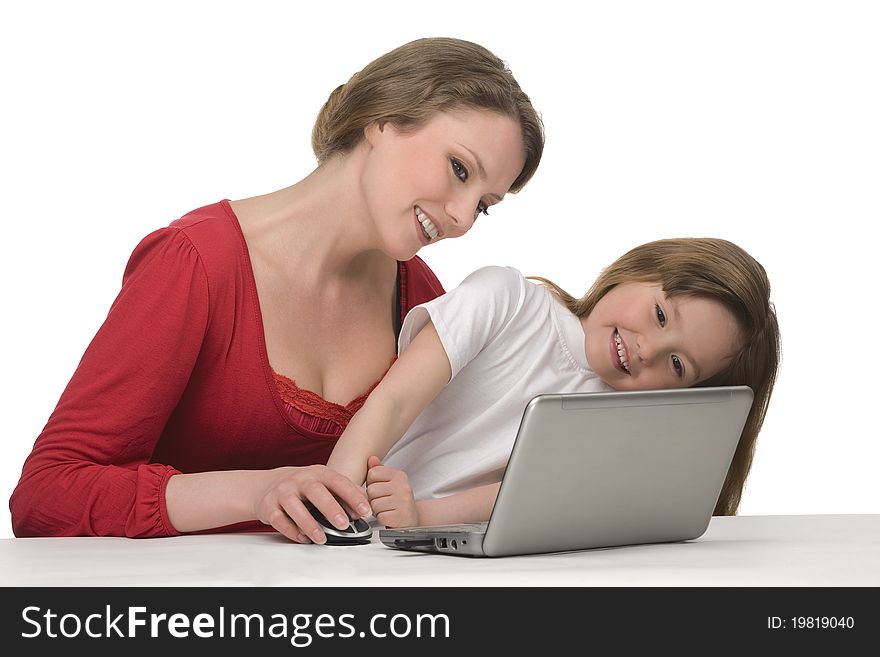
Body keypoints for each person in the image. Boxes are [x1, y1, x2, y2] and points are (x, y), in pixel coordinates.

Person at [9, 37, 545, 544]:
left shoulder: (421, 300)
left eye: (483, 204)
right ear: (384, 118)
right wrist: (258, 490)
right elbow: (44, 494)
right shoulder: (197, 264)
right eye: (458, 169)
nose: (460, 218)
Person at [326, 238, 780, 529]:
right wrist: (335, 501)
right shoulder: (508, 299)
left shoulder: (623, 425)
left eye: (678, 364)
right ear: (639, 268)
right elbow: (393, 399)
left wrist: (423, 517)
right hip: (364, 516)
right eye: (660, 315)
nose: (648, 350)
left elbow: (524, 493)